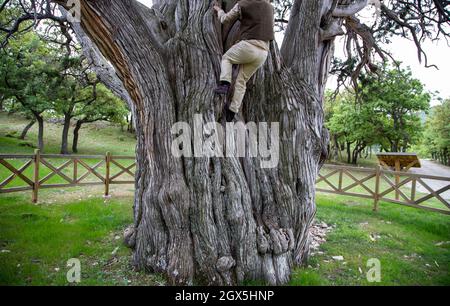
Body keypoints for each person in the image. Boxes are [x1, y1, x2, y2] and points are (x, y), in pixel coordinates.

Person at [213, 0, 275, 122]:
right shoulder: (270, 8)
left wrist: (218, 10)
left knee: (227, 58)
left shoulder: (243, 4)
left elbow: (225, 19)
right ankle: (232, 110)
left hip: (249, 46)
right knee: (242, 80)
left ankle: (224, 84)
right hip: (263, 53)